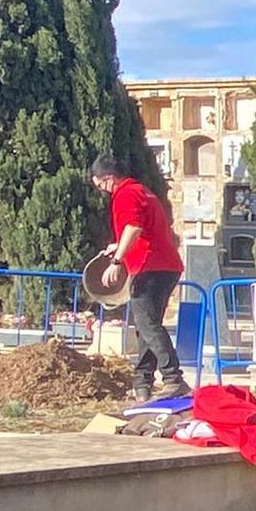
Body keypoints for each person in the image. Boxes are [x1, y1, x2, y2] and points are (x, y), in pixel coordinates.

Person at [89, 154, 189, 401]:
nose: (102, 190)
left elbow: (133, 228)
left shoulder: (124, 194)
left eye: (101, 185)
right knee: (147, 325)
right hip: (166, 265)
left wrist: (116, 261)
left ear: (109, 178)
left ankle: (173, 378)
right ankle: (142, 383)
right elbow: (142, 230)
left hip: (149, 266)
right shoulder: (143, 191)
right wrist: (118, 246)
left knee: (147, 324)